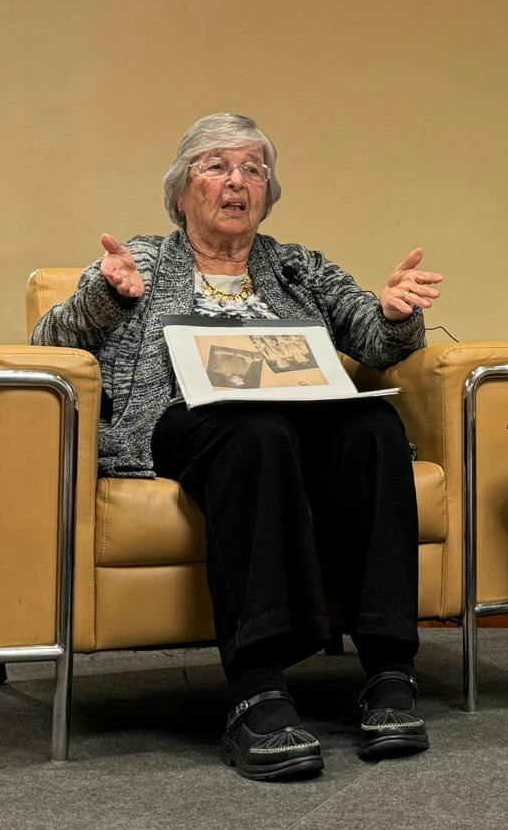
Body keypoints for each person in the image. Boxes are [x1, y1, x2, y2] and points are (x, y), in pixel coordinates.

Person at [30, 112, 444, 781]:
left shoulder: (297, 267)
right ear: (181, 191)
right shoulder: (141, 261)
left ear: (268, 193)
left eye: (254, 169)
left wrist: (397, 314)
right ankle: (257, 688)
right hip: (188, 422)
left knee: (372, 429)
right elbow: (52, 343)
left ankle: (391, 673)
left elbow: (372, 338)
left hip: (302, 418)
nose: (237, 181)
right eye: (216, 166)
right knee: (257, 432)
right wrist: (106, 297)